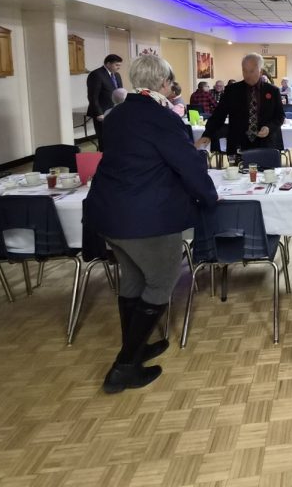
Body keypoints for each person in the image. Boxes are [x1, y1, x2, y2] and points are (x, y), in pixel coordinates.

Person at [84, 54, 218, 393]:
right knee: (161, 281)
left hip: (109, 212)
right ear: (162, 82)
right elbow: (187, 164)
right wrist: (209, 196)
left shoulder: (117, 114)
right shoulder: (161, 117)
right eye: (170, 82)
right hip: (145, 216)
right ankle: (125, 365)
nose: (172, 87)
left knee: (132, 280)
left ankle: (136, 347)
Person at [197, 53, 285, 161]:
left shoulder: (273, 91)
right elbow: (218, 115)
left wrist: (269, 127)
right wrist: (207, 134)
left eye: (251, 71)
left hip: (266, 144)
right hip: (238, 145)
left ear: (261, 71)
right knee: (237, 172)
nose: (247, 75)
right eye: (244, 71)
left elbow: (280, 116)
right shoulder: (232, 90)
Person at [87, 54, 124, 151]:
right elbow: (93, 96)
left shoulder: (117, 75)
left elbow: (120, 92)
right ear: (108, 64)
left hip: (115, 110)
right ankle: (104, 156)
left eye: (119, 65)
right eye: (117, 65)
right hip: (102, 112)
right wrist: (99, 113)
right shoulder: (96, 74)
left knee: (115, 136)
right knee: (104, 138)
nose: (119, 67)